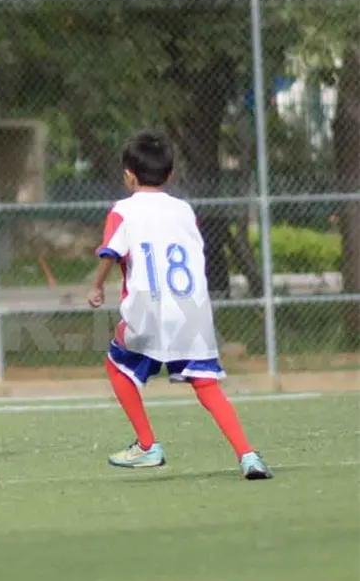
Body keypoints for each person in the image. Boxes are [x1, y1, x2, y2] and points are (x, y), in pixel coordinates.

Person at [88, 130, 273, 480]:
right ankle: (248, 455)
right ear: (170, 174)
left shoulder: (123, 210)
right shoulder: (185, 210)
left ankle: (147, 446)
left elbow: (111, 252)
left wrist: (96, 286)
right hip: (193, 313)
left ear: (128, 175)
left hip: (148, 312)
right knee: (206, 385)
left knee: (116, 364)